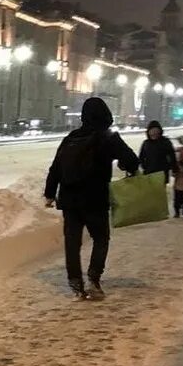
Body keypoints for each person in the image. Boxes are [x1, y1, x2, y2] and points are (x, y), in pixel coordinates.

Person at [44, 97, 139, 301]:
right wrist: (126, 167)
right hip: (94, 198)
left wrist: (50, 193)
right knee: (101, 238)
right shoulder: (107, 136)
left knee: (72, 242)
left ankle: (75, 282)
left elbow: (56, 167)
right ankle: (93, 279)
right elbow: (131, 159)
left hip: (69, 199)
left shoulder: (72, 137)